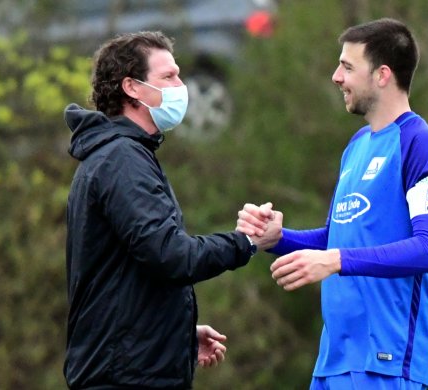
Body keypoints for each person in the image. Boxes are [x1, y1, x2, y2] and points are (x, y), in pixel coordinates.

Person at [237, 18, 428, 390]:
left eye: (347, 67)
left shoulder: (420, 145)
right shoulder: (357, 145)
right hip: (333, 361)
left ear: (382, 75)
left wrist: (335, 261)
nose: (336, 77)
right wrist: (277, 238)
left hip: (386, 364)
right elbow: (339, 237)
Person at [64, 31, 280, 389]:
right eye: (169, 77)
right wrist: (247, 241)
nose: (183, 86)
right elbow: (170, 255)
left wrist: (175, 333)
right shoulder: (121, 159)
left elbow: (132, 272)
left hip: (134, 370)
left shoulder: (124, 155)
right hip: (123, 379)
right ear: (132, 88)